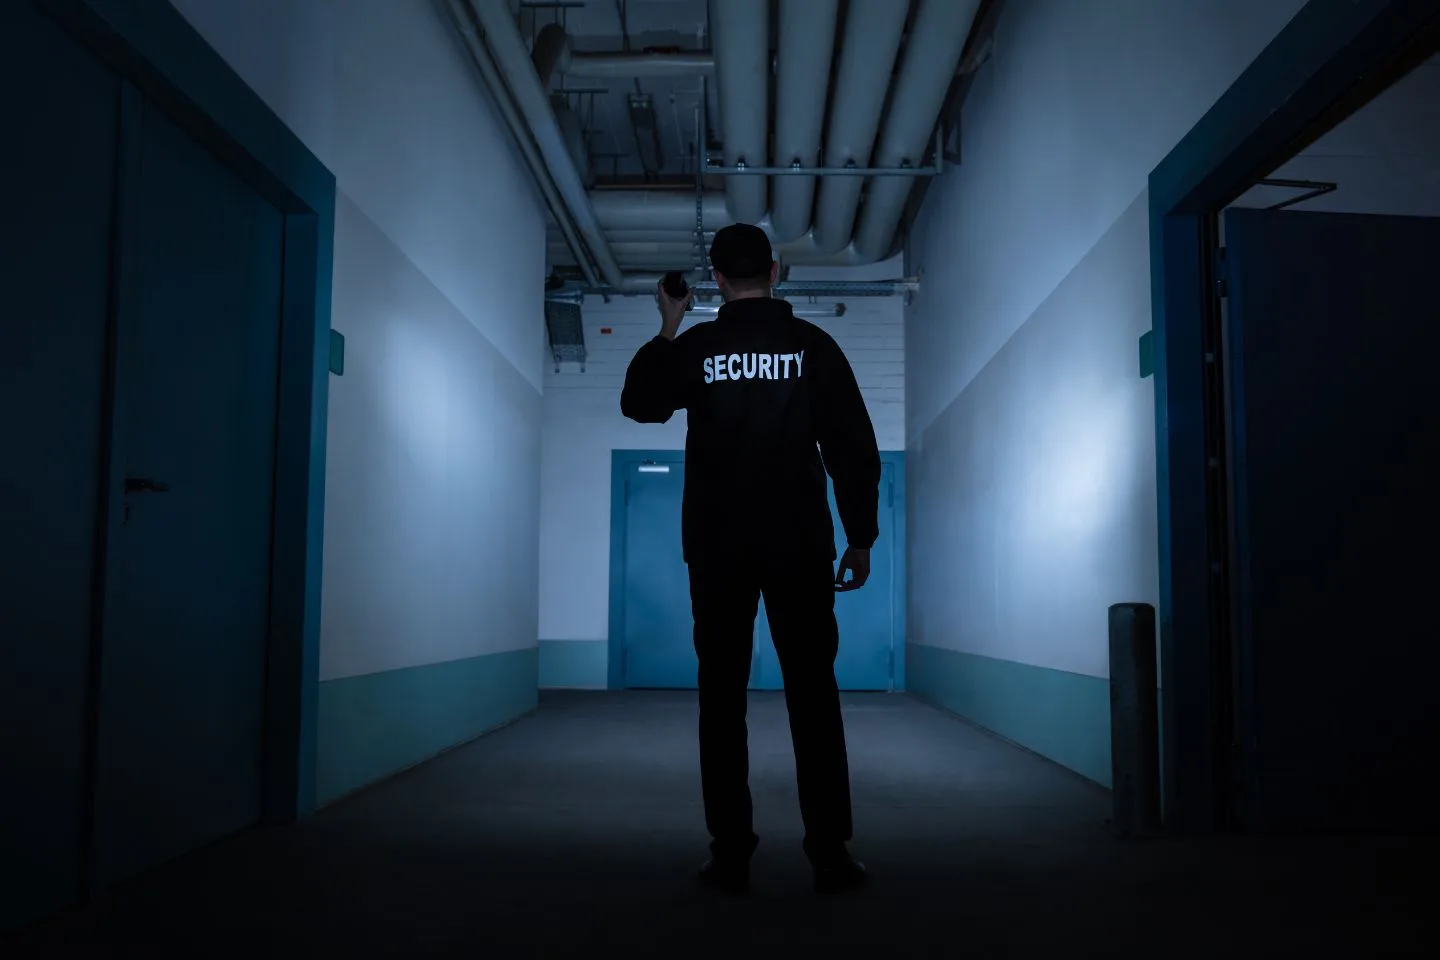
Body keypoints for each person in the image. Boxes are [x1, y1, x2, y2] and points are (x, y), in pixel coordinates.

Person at [620, 223, 882, 894]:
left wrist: (668, 325)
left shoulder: (700, 347)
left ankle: (730, 853)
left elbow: (640, 403)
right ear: (777, 270)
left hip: (718, 549)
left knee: (721, 700)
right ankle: (830, 854)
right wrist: (860, 536)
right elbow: (851, 446)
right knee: (814, 700)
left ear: (713, 277)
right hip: (798, 546)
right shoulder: (813, 347)